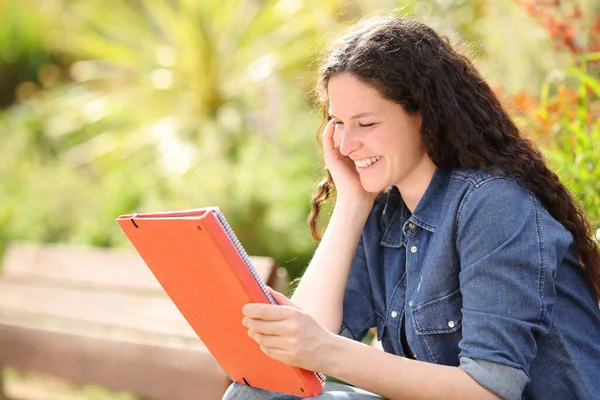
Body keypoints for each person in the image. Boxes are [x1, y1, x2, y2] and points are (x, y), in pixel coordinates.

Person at [223, 15, 600, 400]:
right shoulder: (385, 211)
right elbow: (289, 364)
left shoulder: (494, 206)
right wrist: (352, 203)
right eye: (337, 122)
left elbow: (490, 390)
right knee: (256, 394)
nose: (346, 144)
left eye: (366, 124)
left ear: (424, 116)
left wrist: (326, 350)